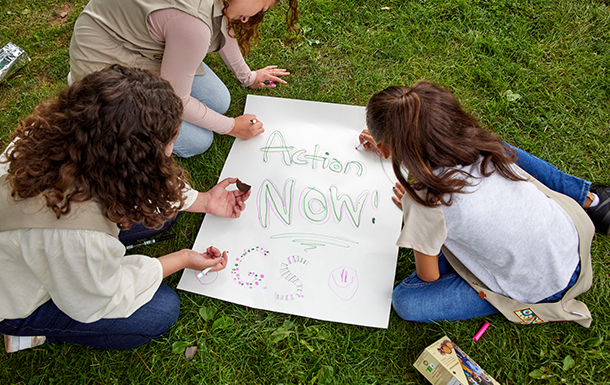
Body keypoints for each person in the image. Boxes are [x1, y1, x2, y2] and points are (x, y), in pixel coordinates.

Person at [0, 65, 251, 352]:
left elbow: (147, 187)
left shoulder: (51, 136)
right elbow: (101, 298)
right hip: (17, 298)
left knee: (160, 214)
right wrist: (182, 259)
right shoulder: (79, 238)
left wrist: (206, 201)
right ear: (136, 159)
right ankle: (32, 332)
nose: (171, 150)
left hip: (37, 246)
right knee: (159, 312)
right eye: (169, 142)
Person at [359, 81, 610, 322]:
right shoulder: (478, 143)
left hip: (539, 290)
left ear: (385, 150)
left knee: (406, 301)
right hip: (571, 240)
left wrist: (417, 217)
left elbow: (429, 276)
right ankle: (591, 200)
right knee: (499, 153)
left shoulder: (426, 203)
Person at [69, 0, 299, 158]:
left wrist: (247, 77)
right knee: (197, 141)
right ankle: (90, 96)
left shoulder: (218, 7)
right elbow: (177, 100)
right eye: (263, 7)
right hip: (104, 62)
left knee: (218, 100)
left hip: (140, 43)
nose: (251, 17)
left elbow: (219, 23)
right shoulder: (193, 24)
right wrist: (232, 127)